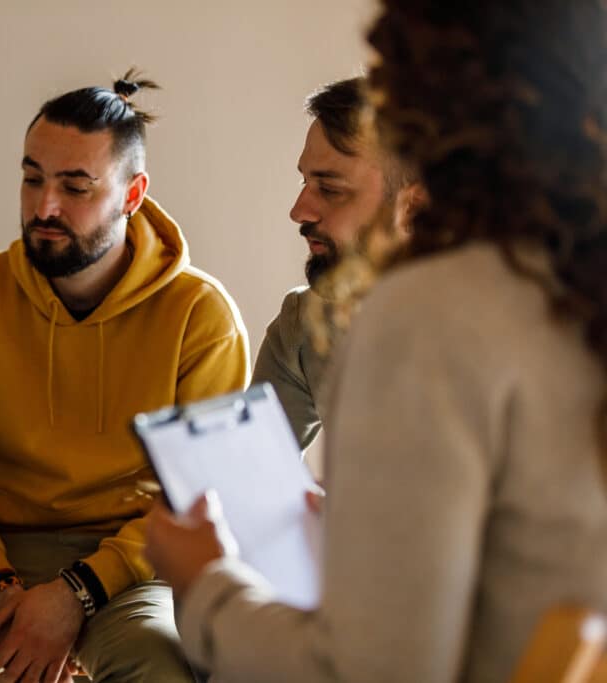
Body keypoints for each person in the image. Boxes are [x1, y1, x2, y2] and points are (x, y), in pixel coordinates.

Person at [144, 1, 607, 681]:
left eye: (391, 66)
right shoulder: (567, 288)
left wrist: (206, 581)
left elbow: (366, 672)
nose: (300, 209)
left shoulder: (426, 318)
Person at [0, 71, 249, 683]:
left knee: (166, 662)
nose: (44, 207)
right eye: (33, 179)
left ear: (132, 195)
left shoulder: (200, 313)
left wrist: (77, 592)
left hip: (134, 565)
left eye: (75, 187)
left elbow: (197, 498)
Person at [254, 76, 421, 450]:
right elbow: (250, 475)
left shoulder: (508, 332)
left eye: (330, 190)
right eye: (305, 183)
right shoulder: (303, 326)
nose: (299, 212)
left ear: (412, 207)